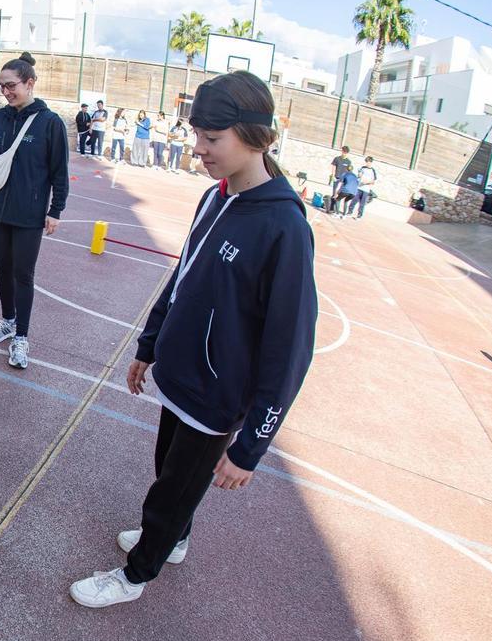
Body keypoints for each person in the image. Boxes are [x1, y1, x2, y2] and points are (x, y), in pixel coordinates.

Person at [69, 71, 317, 609]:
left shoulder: (284, 227)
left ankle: (136, 575)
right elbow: (182, 279)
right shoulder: (214, 197)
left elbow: (291, 348)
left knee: (171, 492)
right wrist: (149, 345)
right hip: (179, 375)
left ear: (256, 137)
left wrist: (251, 447)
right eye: (196, 135)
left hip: (217, 396)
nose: (198, 149)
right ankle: (174, 537)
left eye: (212, 138)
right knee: (169, 472)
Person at [0, 51, 69, 370]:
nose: (6, 91)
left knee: (23, 274)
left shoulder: (50, 123)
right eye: (2, 86)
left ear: (30, 83)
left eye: (11, 85)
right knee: (2, 268)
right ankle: (8, 321)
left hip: (29, 215)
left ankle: (21, 338)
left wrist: (55, 210)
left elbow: (59, 172)